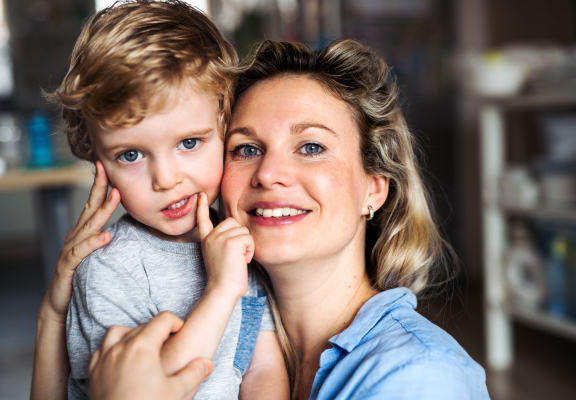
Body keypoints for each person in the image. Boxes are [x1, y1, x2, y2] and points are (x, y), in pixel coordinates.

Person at [33, 39, 491, 400]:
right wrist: (53, 317)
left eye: (311, 147)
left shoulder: (420, 378)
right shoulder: (222, 290)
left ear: (373, 188)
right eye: (246, 149)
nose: (269, 174)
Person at [35, 1, 289, 399]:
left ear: (227, 128)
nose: (166, 179)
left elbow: (262, 367)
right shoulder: (109, 271)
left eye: (189, 143)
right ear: (98, 160)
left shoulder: (238, 236)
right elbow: (153, 388)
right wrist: (221, 290)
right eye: (131, 155)